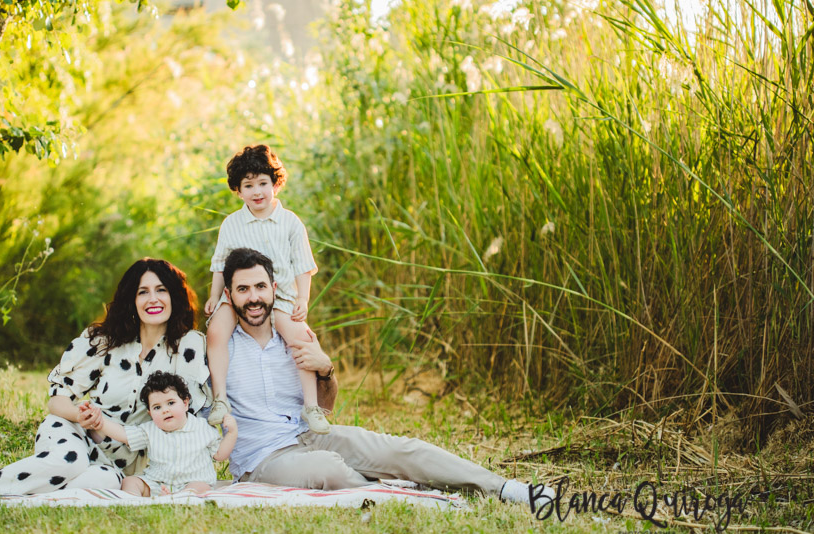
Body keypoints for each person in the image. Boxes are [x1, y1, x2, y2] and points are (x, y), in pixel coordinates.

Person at [220, 247, 550, 505]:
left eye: (261, 287)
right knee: (328, 468)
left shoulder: (295, 335)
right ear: (229, 295)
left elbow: (325, 407)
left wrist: (325, 369)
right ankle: (412, 496)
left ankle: (505, 488)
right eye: (243, 289)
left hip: (310, 435)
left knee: (401, 450)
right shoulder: (219, 350)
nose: (254, 298)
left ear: (274, 288)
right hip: (263, 458)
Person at [0, 258, 212, 497]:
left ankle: (9, 484)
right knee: (68, 462)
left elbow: (190, 416)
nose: (153, 299)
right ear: (131, 299)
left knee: (104, 484)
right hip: (74, 433)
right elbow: (58, 400)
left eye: (161, 290)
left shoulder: (187, 346)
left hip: (120, 463)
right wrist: (82, 416)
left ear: (174, 295)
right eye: (142, 292)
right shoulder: (104, 340)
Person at [204, 144, 328, 434]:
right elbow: (220, 264)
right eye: (248, 185)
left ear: (276, 184)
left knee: (302, 337)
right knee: (215, 331)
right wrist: (214, 295)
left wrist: (302, 299)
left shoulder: (290, 222)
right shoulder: (232, 224)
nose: (257, 191)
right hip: (239, 297)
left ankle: (311, 406)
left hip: (281, 297)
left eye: (263, 183)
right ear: (238, 190)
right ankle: (220, 398)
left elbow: (303, 265)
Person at [81, 370, 237, 497]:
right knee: (130, 481)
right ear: (150, 412)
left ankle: (179, 498)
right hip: (157, 483)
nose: (165, 410)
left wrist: (231, 434)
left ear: (185, 403)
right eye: (157, 407)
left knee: (201, 488)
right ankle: (132, 501)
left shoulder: (201, 428)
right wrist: (99, 420)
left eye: (170, 403)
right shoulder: (150, 430)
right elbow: (123, 434)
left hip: (193, 482)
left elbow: (219, 455)